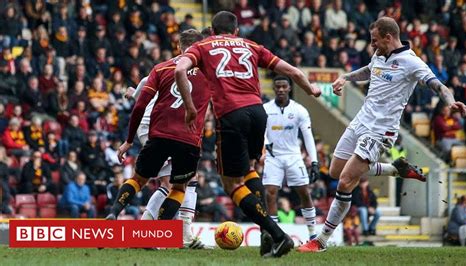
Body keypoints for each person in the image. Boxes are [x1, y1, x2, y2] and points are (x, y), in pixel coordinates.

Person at [298, 17, 466, 253]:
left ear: (388, 37)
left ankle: (321, 240)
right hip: (360, 120)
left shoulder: (411, 62)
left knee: (346, 181)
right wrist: (346, 77)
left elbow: (438, 86)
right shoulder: (379, 54)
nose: (372, 45)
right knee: (336, 171)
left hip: (381, 130)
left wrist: (450, 102)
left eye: (374, 40)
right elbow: (369, 70)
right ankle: (394, 169)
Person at [175, 11, 321, 258]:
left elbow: (180, 70)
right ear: (236, 31)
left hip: (232, 114)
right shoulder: (251, 45)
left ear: (211, 30)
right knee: (250, 169)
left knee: (231, 183)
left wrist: (190, 108)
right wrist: (313, 89)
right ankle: (268, 233)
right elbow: (294, 72)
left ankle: (277, 234)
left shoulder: (204, 45)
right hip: (258, 112)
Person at [105, 29, 211, 247]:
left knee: (140, 179)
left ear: (179, 47)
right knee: (179, 186)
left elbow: (139, 104)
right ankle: (165, 234)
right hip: (186, 138)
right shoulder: (209, 72)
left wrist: (129, 139)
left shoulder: (161, 67)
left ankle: (115, 213)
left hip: (158, 133)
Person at [262, 75, 320, 240]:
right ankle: (274, 235)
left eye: (283, 87)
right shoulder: (265, 109)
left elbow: (308, 136)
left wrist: (314, 162)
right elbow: (261, 131)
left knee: (304, 192)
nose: (280, 89)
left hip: (294, 156)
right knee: (270, 193)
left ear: (289, 88)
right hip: (274, 157)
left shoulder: (299, 110)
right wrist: (266, 143)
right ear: (273, 89)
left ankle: (313, 234)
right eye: (277, 86)